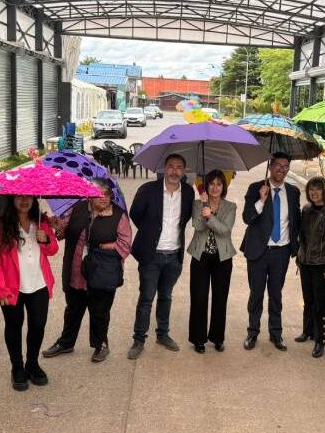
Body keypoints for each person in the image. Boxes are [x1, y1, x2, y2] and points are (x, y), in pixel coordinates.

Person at [43, 181, 132, 363]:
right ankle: (66, 343)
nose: (103, 198)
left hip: (102, 271)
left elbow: (125, 244)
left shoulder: (118, 215)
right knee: (73, 309)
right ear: (89, 195)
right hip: (76, 270)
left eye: (107, 194)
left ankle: (101, 344)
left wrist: (109, 246)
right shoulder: (78, 208)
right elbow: (64, 232)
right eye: (98, 194)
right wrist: (58, 226)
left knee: (100, 310)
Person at [0, 195, 59, 391]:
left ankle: (32, 363)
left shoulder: (41, 221)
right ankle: (17, 367)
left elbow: (53, 250)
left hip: (39, 283)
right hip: (11, 287)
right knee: (14, 326)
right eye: (19, 197)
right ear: (11, 199)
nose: (24, 201)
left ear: (34, 198)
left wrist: (46, 239)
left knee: (38, 325)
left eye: (28, 197)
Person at [128, 153, 195, 359]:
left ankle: (163, 334)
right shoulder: (148, 190)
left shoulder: (189, 192)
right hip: (151, 255)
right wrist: (151, 232)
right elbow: (135, 214)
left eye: (179, 167)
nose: (175, 171)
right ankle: (139, 339)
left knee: (166, 297)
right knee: (146, 298)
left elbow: (185, 219)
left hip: (174, 255)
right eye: (171, 166)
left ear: (184, 171)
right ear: (164, 169)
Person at [241, 152, 301, 351]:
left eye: (285, 166)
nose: (281, 169)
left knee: (276, 295)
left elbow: (296, 221)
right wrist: (261, 200)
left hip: (281, 253)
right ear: (270, 166)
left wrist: (296, 247)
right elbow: (247, 217)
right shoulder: (255, 188)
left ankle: (276, 334)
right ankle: (252, 332)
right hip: (258, 251)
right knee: (256, 294)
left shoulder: (293, 192)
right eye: (278, 165)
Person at [187, 170, 237, 353]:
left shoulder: (230, 207)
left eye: (219, 184)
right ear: (206, 186)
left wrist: (210, 216)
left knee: (220, 299)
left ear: (224, 187)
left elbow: (225, 230)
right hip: (200, 256)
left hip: (222, 258)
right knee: (199, 298)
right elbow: (198, 226)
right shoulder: (197, 204)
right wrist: (204, 206)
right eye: (211, 184)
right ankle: (198, 339)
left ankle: (217, 338)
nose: (215, 187)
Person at [295, 177, 325, 358]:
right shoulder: (306, 209)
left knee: (321, 304)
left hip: (321, 265)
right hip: (305, 262)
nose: (314, 193)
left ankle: (320, 340)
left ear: (324, 191)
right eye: (311, 189)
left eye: (318, 189)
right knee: (308, 300)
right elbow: (301, 235)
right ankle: (308, 331)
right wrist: (300, 255)